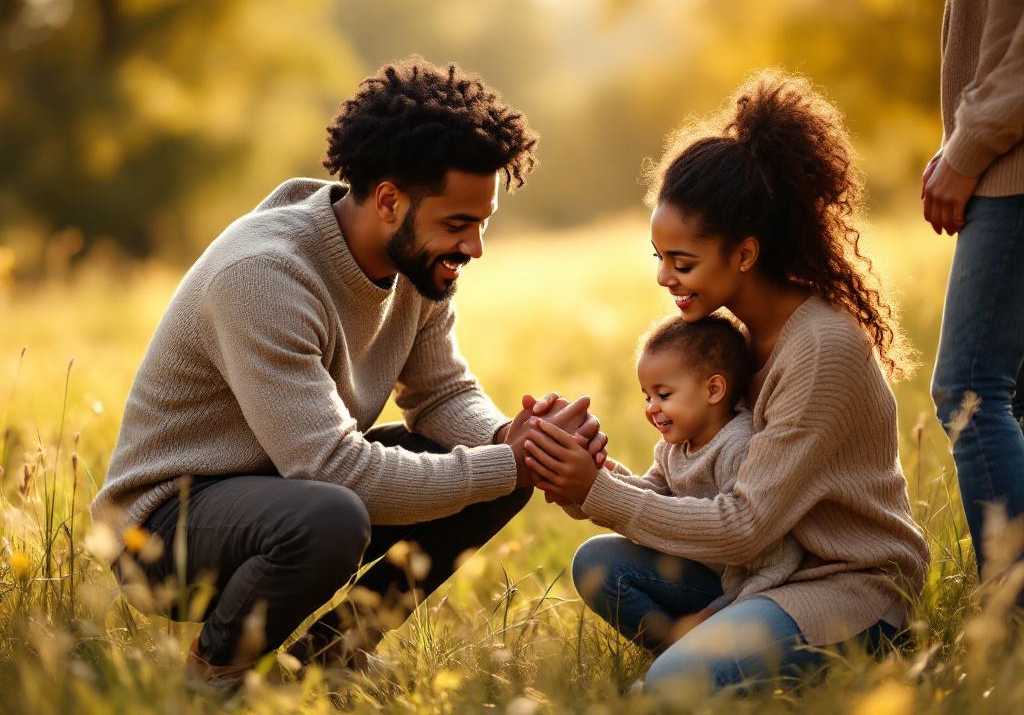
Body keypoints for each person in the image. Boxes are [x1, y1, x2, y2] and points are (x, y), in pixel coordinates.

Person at [90, 56, 606, 685]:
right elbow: (330, 469)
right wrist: (507, 462)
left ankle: (326, 664)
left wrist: (517, 441)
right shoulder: (264, 276)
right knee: (337, 514)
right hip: (166, 528)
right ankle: (215, 676)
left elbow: (440, 394)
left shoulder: (417, 264)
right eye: (458, 224)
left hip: (288, 487)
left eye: (483, 223)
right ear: (389, 201)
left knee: (496, 474)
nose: (474, 247)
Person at [523, 71, 931, 692]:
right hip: (758, 574)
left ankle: (701, 669)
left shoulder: (820, 350)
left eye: (682, 262)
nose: (665, 278)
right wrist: (585, 476)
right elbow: (699, 495)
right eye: (660, 258)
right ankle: (707, 655)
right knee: (601, 565)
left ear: (743, 255)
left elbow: (744, 526)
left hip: (846, 589)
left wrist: (600, 493)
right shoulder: (733, 342)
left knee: (667, 690)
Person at [555, 313, 805, 652]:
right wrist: (594, 480)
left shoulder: (738, 448)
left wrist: (716, 614)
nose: (651, 408)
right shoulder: (673, 448)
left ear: (713, 389)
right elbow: (652, 498)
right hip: (697, 580)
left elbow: (774, 561)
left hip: (747, 596)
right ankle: (670, 652)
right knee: (594, 560)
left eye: (663, 394)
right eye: (647, 397)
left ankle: (691, 656)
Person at [924, 0, 1024, 592]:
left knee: (970, 391)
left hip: (1013, 167)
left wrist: (968, 145)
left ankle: (1013, 620)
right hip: (1003, 156)